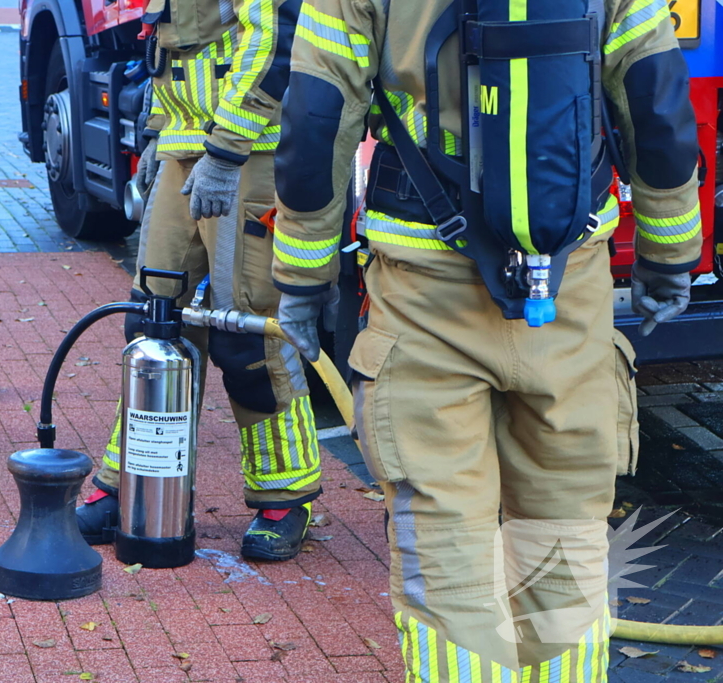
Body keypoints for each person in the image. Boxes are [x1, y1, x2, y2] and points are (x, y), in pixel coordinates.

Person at [273, 0, 698, 676]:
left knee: (448, 560)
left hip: (423, 290)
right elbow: (655, 98)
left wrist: (301, 275)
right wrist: (670, 251)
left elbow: (317, 114)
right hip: (569, 288)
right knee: (564, 550)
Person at [75, 0, 323, 561]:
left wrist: (226, 150)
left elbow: (272, 41)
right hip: (185, 149)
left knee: (249, 335)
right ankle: (132, 482)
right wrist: (155, 138)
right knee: (151, 327)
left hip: (248, 152)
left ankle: (286, 494)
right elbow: (170, 52)